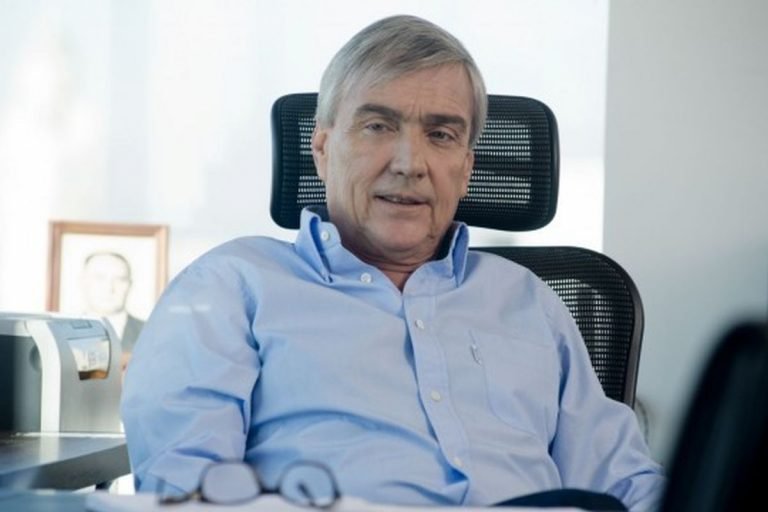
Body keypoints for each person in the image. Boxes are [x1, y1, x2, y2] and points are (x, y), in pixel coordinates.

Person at [121, 15, 664, 510]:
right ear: (321, 149)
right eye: (378, 126)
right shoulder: (228, 288)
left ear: (466, 168)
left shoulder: (531, 303)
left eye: (441, 135)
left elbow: (627, 483)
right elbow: (186, 490)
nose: (409, 164)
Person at [81, 251, 145, 369]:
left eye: (120, 279)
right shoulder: (60, 334)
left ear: (129, 285)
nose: (109, 288)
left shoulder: (151, 334)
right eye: (100, 278)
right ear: (83, 281)